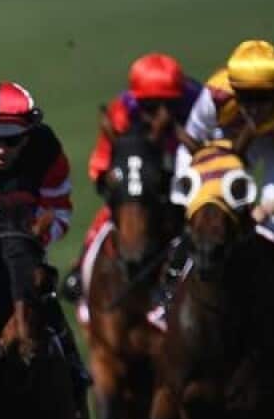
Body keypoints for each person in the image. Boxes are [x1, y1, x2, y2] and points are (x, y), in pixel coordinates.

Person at [155, 39, 274, 331]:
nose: (254, 108)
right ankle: (168, 291)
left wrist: (265, 209)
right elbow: (187, 147)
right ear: (233, 90)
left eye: (264, 97)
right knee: (205, 214)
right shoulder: (215, 96)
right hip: (226, 140)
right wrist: (197, 192)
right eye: (245, 97)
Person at [0, 81, 88, 387]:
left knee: (43, 298)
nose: (1, 150)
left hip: (25, 234)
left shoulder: (47, 149)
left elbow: (59, 211)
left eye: (12, 140)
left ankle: (73, 366)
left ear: (29, 133)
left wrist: (34, 239)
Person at [60, 53, 201, 303]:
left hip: (192, 178)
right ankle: (82, 266)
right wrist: (112, 181)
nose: (163, 116)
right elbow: (101, 164)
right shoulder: (122, 111)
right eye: (151, 107)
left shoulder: (199, 104)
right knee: (115, 208)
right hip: (144, 180)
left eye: (170, 106)